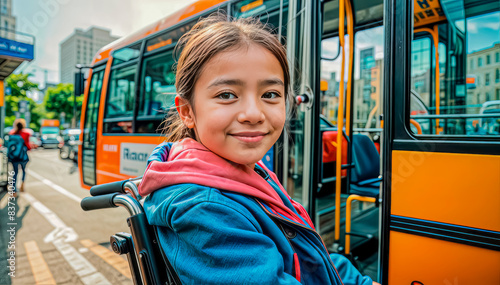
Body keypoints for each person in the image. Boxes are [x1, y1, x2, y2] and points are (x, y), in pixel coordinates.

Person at [139, 14, 377, 285]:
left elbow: (306, 258)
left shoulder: (249, 174)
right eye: (227, 95)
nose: (253, 114)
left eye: (270, 95)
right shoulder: (205, 209)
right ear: (187, 111)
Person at [8, 118, 31, 195]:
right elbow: (28, 146)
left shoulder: (11, 133)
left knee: (15, 172)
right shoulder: (26, 134)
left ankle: (13, 190)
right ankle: (22, 184)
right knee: (24, 170)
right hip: (23, 156)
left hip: (14, 157)